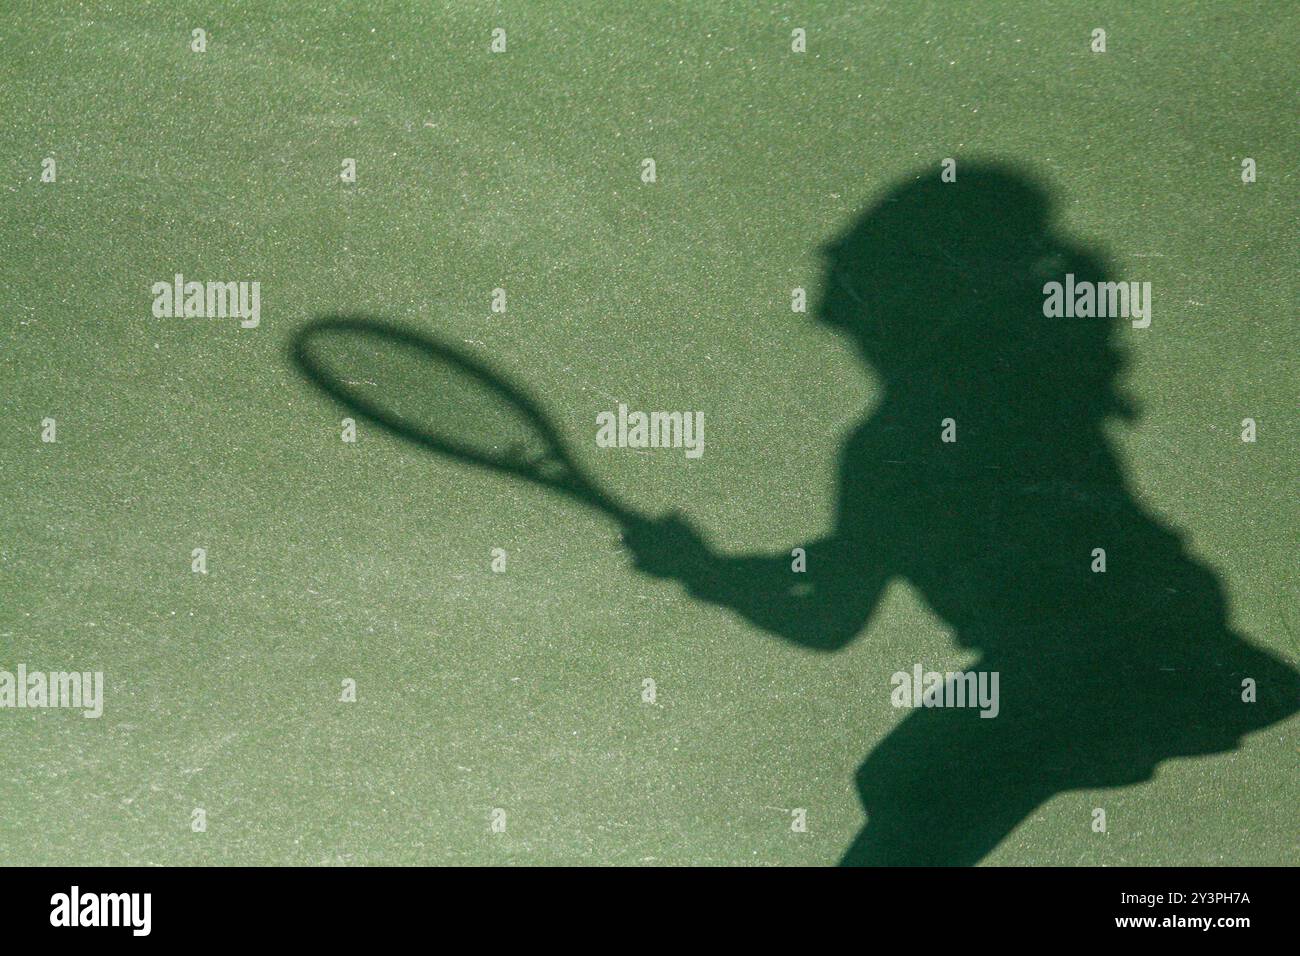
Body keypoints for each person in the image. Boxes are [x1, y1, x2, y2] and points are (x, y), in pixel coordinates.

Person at [624, 164, 1300, 865]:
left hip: (1088, 659)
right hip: (1130, 650)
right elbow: (848, 575)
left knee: (910, 800)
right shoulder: (1029, 394)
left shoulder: (912, 438)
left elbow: (830, 612)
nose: (863, 341)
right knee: (909, 794)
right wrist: (712, 569)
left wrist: (706, 574)